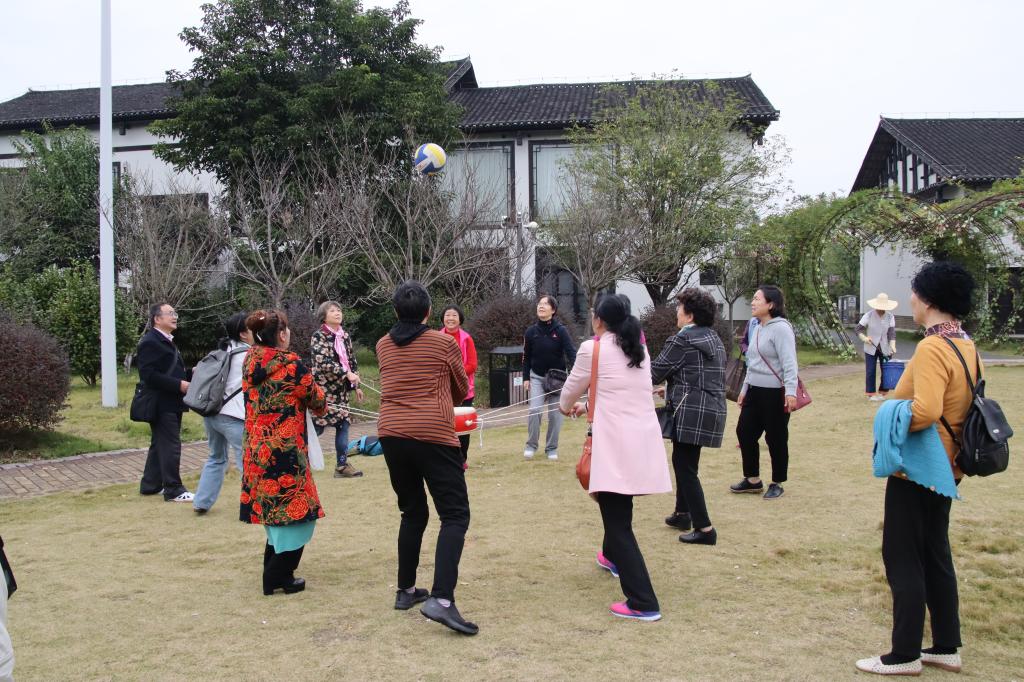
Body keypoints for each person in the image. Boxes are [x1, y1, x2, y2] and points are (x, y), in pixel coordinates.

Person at [855, 262, 976, 676]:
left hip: (920, 466)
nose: (911, 299)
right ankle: (945, 645)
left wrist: (889, 415)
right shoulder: (964, 342)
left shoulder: (932, 347)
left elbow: (925, 410)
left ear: (928, 299)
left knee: (902, 554)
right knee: (935, 552)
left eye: (914, 292)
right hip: (948, 467)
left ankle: (904, 653)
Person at [559, 294, 672, 622]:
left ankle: (643, 601)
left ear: (598, 320)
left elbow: (570, 390)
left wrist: (567, 406)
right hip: (641, 440)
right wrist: (588, 405)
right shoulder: (638, 347)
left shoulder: (592, 349)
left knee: (617, 521)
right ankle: (610, 556)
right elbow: (622, 391)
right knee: (619, 507)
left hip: (613, 445)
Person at [376, 281, 476, 634]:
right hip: (433, 433)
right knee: (455, 515)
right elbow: (461, 390)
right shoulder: (443, 342)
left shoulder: (383, 344)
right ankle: (442, 599)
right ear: (430, 312)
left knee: (412, 512)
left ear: (395, 311)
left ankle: (405, 590)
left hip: (391, 433)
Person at [239, 309, 327, 596]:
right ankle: (277, 575)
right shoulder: (292, 366)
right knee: (297, 514)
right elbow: (317, 401)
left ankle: (278, 574)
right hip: (285, 452)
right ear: (280, 335)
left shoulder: (250, 361)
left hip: (257, 449)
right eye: (286, 329)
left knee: (274, 515)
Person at [650, 288, 727, 545]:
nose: (677, 312)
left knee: (685, 468)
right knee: (685, 462)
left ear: (690, 315)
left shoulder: (681, 340)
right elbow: (698, 374)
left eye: (679, 308)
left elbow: (654, 372)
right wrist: (672, 388)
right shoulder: (714, 339)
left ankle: (705, 528)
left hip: (689, 411)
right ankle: (682, 514)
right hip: (710, 409)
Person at [731, 285, 799, 500]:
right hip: (754, 390)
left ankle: (777, 482)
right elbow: (752, 362)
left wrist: (791, 392)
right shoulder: (757, 326)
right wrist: (744, 388)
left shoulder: (781, 328)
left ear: (771, 304)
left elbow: (790, 363)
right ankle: (752, 479)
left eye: (756, 299)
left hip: (775, 393)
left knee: (776, 438)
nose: (752, 303)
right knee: (744, 432)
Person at [193, 312, 252, 514]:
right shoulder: (249, 355)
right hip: (234, 416)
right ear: (243, 334)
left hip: (212, 412)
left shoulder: (223, 350)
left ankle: (201, 502)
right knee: (247, 461)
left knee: (216, 457)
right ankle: (252, 505)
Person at [137, 302, 193, 503]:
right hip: (161, 403)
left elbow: (169, 371)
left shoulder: (165, 340)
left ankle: (150, 484)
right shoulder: (150, 342)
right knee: (170, 445)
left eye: (175, 313)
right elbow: (149, 375)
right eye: (170, 313)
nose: (175, 316)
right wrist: (179, 385)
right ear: (157, 319)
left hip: (171, 401)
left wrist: (190, 374)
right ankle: (174, 489)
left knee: (159, 444)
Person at [310, 300, 365, 479]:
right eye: (332, 310)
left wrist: (356, 385)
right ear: (324, 316)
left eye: (339, 310)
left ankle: (342, 466)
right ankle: (295, 462)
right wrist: (346, 373)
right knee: (317, 428)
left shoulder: (344, 335)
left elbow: (351, 361)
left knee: (343, 425)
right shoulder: (319, 336)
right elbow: (323, 362)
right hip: (323, 390)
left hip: (341, 391)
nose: (337, 313)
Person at [523, 294, 577, 460]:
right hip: (537, 377)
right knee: (535, 410)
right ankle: (531, 445)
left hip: (557, 379)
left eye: (545, 304)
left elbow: (571, 353)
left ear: (553, 310)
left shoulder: (561, 331)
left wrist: (575, 376)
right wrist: (526, 378)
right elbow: (526, 357)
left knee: (555, 415)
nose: (541, 306)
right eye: (539, 303)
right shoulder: (531, 332)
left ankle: (551, 448)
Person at [440, 304, 478, 466]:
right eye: (447, 315)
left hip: (464, 390)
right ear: (443, 319)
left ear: (460, 319)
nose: (450, 318)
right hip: (442, 391)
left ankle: (462, 459)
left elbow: (472, 365)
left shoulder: (466, 338)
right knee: (444, 426)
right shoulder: (436, 337)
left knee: (463, 426)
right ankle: (447, 459)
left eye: (454, 315)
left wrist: (455, 374)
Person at [857, 293, 899, 401]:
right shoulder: (868, 315)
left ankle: (883, 392)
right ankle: (871, 394)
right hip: (870, 346)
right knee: (870, 370)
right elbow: (858, 329)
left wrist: (893, 345)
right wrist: (864, 338)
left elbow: (891, 333)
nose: (881, 308)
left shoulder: (890, 316)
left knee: (886, 370)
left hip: (885, 347)